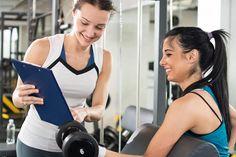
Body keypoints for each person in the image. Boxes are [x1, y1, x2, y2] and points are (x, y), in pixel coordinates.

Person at [100, 27, 236, 157]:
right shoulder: (209, 93)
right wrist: (226, 153)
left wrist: (100, 153)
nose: (161, 62)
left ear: (191, 56)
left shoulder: (187, 105)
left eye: (168, 54)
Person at [12, 0, 115, 157]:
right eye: (84, 23)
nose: (90, 32)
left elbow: (99, 108)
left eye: (99, 27)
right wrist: (19, 97)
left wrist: (85, 112)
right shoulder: (42, 48)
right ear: (74, 13)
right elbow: (17, 100)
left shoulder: (104, 58)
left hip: (74, 145)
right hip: (33, 143)